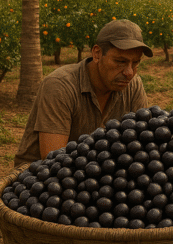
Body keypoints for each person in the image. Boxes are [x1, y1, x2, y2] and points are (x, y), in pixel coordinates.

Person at [13, 19, 153, 168]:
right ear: (97, 54)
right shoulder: (60, 86)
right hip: (42, 177)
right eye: (120, 61)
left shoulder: (133, 85)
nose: (129, 72)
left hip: (102, 172)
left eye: (136, 63)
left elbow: (141, 145)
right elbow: (53, 161)